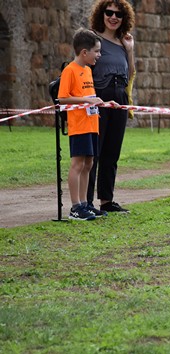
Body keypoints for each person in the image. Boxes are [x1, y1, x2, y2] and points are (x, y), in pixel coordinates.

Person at [87, 0, 136, 214]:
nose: (113, 17)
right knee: (94, 152)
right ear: (102, 14)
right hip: (99, 98)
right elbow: (82, 67)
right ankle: (85, 203)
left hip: (120, 99)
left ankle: (107, 200)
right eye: (109, 13)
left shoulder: (122, 42)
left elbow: (131, 73)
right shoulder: (92, 38)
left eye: (118, 14)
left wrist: (130, 50)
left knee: (112, 152)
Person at [57, 29, 105, 221]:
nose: (99, 55)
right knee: (77, 164)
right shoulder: (69, 70)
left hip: (92, 123)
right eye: (97, 51)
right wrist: (86, 101)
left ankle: (85, 204)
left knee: (89, 163)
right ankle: (75, 207)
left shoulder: (88, 70)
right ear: (84, 52)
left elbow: (89, 97)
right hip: (78, 125)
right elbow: (62, 98)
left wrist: (96, 103)